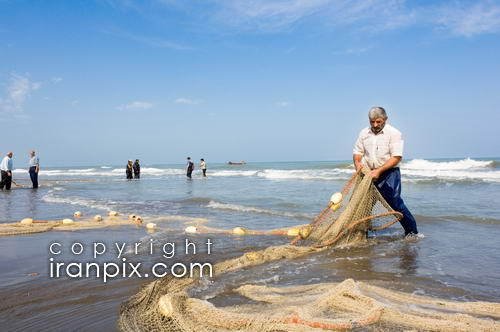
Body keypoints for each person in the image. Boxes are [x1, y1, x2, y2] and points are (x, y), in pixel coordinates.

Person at [353, 106, 418, 238]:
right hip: (367, 175)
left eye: (378, 121)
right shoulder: (364, 133)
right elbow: (357, 152)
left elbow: (396, 157)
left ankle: (412, 233)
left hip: (388, 173)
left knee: (395, 204)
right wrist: (358, 164)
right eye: (372, 122)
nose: (375, 125)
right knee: (364, 206)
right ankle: (363, 236)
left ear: (385, 119)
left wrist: (379, 171)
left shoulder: (394, 133)